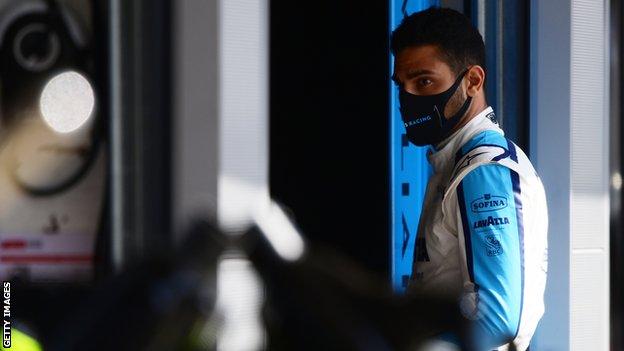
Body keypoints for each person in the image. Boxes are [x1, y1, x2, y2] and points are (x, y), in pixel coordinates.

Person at [391, 7, 548, 351]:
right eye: (402, 85)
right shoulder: (455, 162)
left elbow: (498, 318)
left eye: (425, 81)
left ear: (473, 81)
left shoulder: (484, 169)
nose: (409, 98)